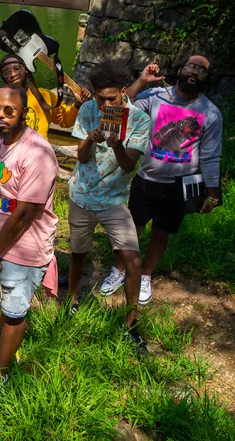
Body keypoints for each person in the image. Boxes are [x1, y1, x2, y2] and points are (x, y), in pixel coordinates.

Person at [0, 84, 59, 409]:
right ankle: (4, 352)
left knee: (13, 313)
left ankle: (0, 374)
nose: (0, 116)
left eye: (9, 111)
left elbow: (23, 216)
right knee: (6, 304)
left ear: (24, 114)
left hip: (25, 249)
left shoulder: (38, 154)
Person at [113, 55, 222, 304]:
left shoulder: (211, 113)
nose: (195, 71)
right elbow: (121, 107)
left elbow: (211, 156)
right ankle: (119, 269)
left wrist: (212, 194)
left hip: (179, 186)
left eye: (202, 69)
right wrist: (141, 81)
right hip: (146, 178)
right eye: (191, 66)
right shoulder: (155, 96)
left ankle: (145, 276)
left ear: (207, 78)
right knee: (133, 230)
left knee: (161, 233)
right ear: (180, 69)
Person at [66, 60, 150, 351]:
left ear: (123, 92)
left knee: (133, 260)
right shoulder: (88, 110)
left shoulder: (138, 119)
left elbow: (128, 167)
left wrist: (116, 145)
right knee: (78, 254)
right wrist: (90, 138)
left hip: (114, 200)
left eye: (111, 98)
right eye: (100, 98)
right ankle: (73, 301)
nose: (104, 104)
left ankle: (131, 324)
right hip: (82, 194)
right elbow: (82, 157)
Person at [0, 54, 89, 203]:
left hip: (37, 166)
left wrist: (78, 105)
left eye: (16, 68)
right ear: (2, 77)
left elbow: (65, 121)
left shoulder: (44, 97)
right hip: (4, 171)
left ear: (26, 70)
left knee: (35, 213)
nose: (13, 74)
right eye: (7, 71)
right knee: (2, 211)